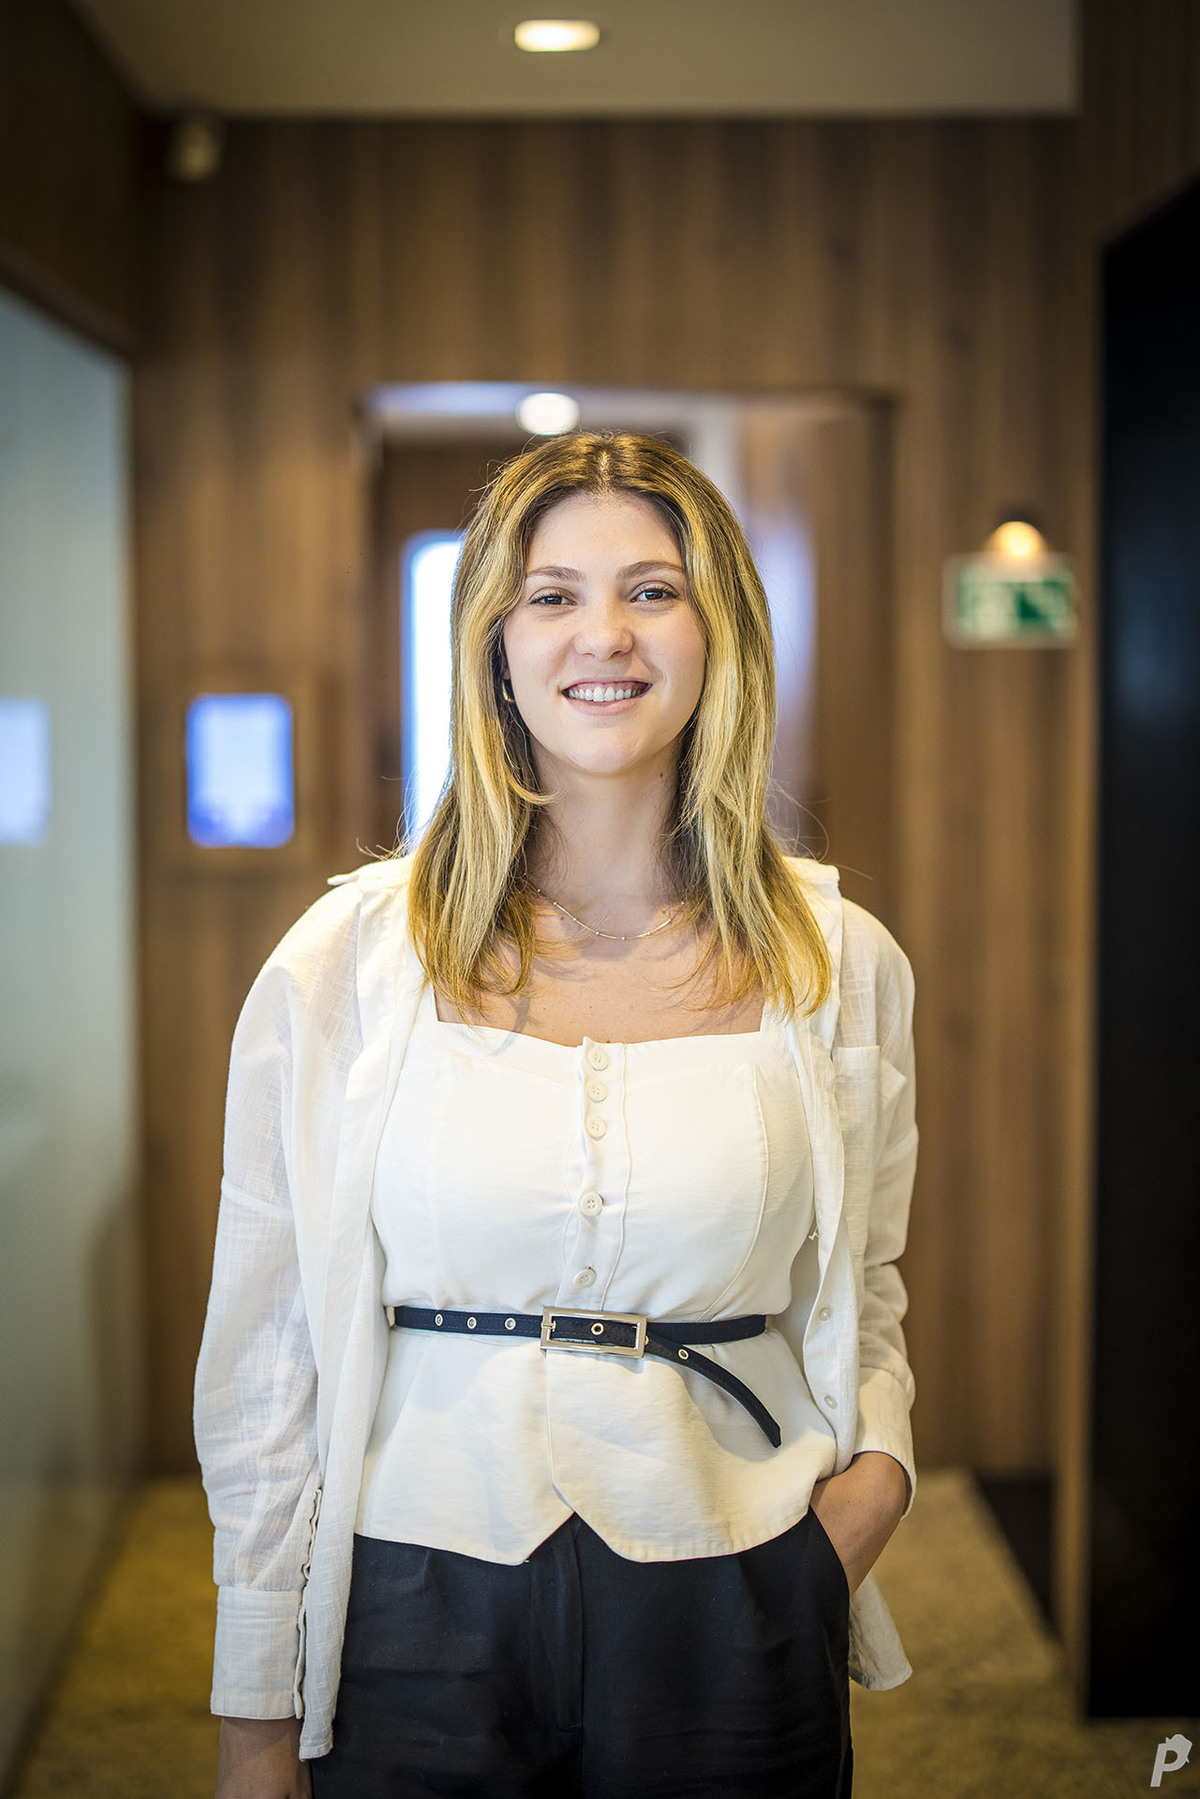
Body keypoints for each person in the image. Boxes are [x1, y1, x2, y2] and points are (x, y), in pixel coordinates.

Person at [196, 431, 919, 1799]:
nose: (606, 635)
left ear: (720, 634)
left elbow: (864, 1283)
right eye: (552, 595)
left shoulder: (840, 960)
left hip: (739, 1582)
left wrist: (874, 1480)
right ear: (494, 644)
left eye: (653, 591)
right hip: (411, 1589)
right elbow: (269, 1344)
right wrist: (253, 1710)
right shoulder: (349, 960)